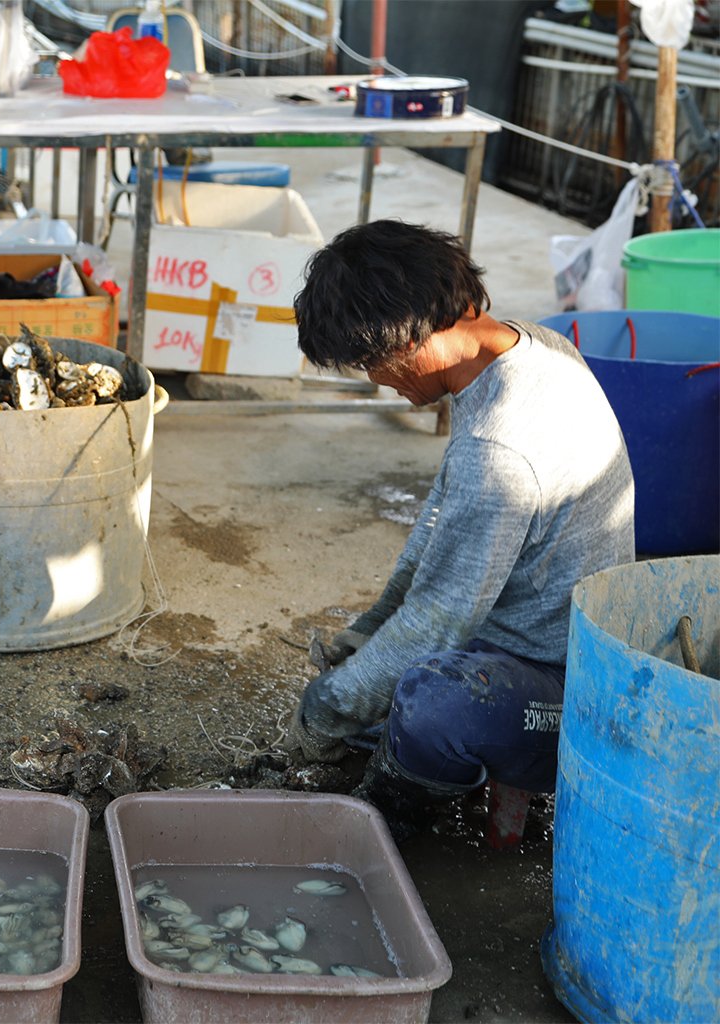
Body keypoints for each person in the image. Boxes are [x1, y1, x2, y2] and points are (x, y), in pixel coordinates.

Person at [285, 220, 634, 840]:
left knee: (424, 705)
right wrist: (369, 630)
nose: (377, 380)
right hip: (535, 640)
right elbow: (440, 524)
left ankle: (403, 828)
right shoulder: (529, 346)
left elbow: (439, 622)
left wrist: (326, 711)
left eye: (372, 362)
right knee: (371, 676)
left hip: (571, 691)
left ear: (409, 341)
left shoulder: (497, 447)